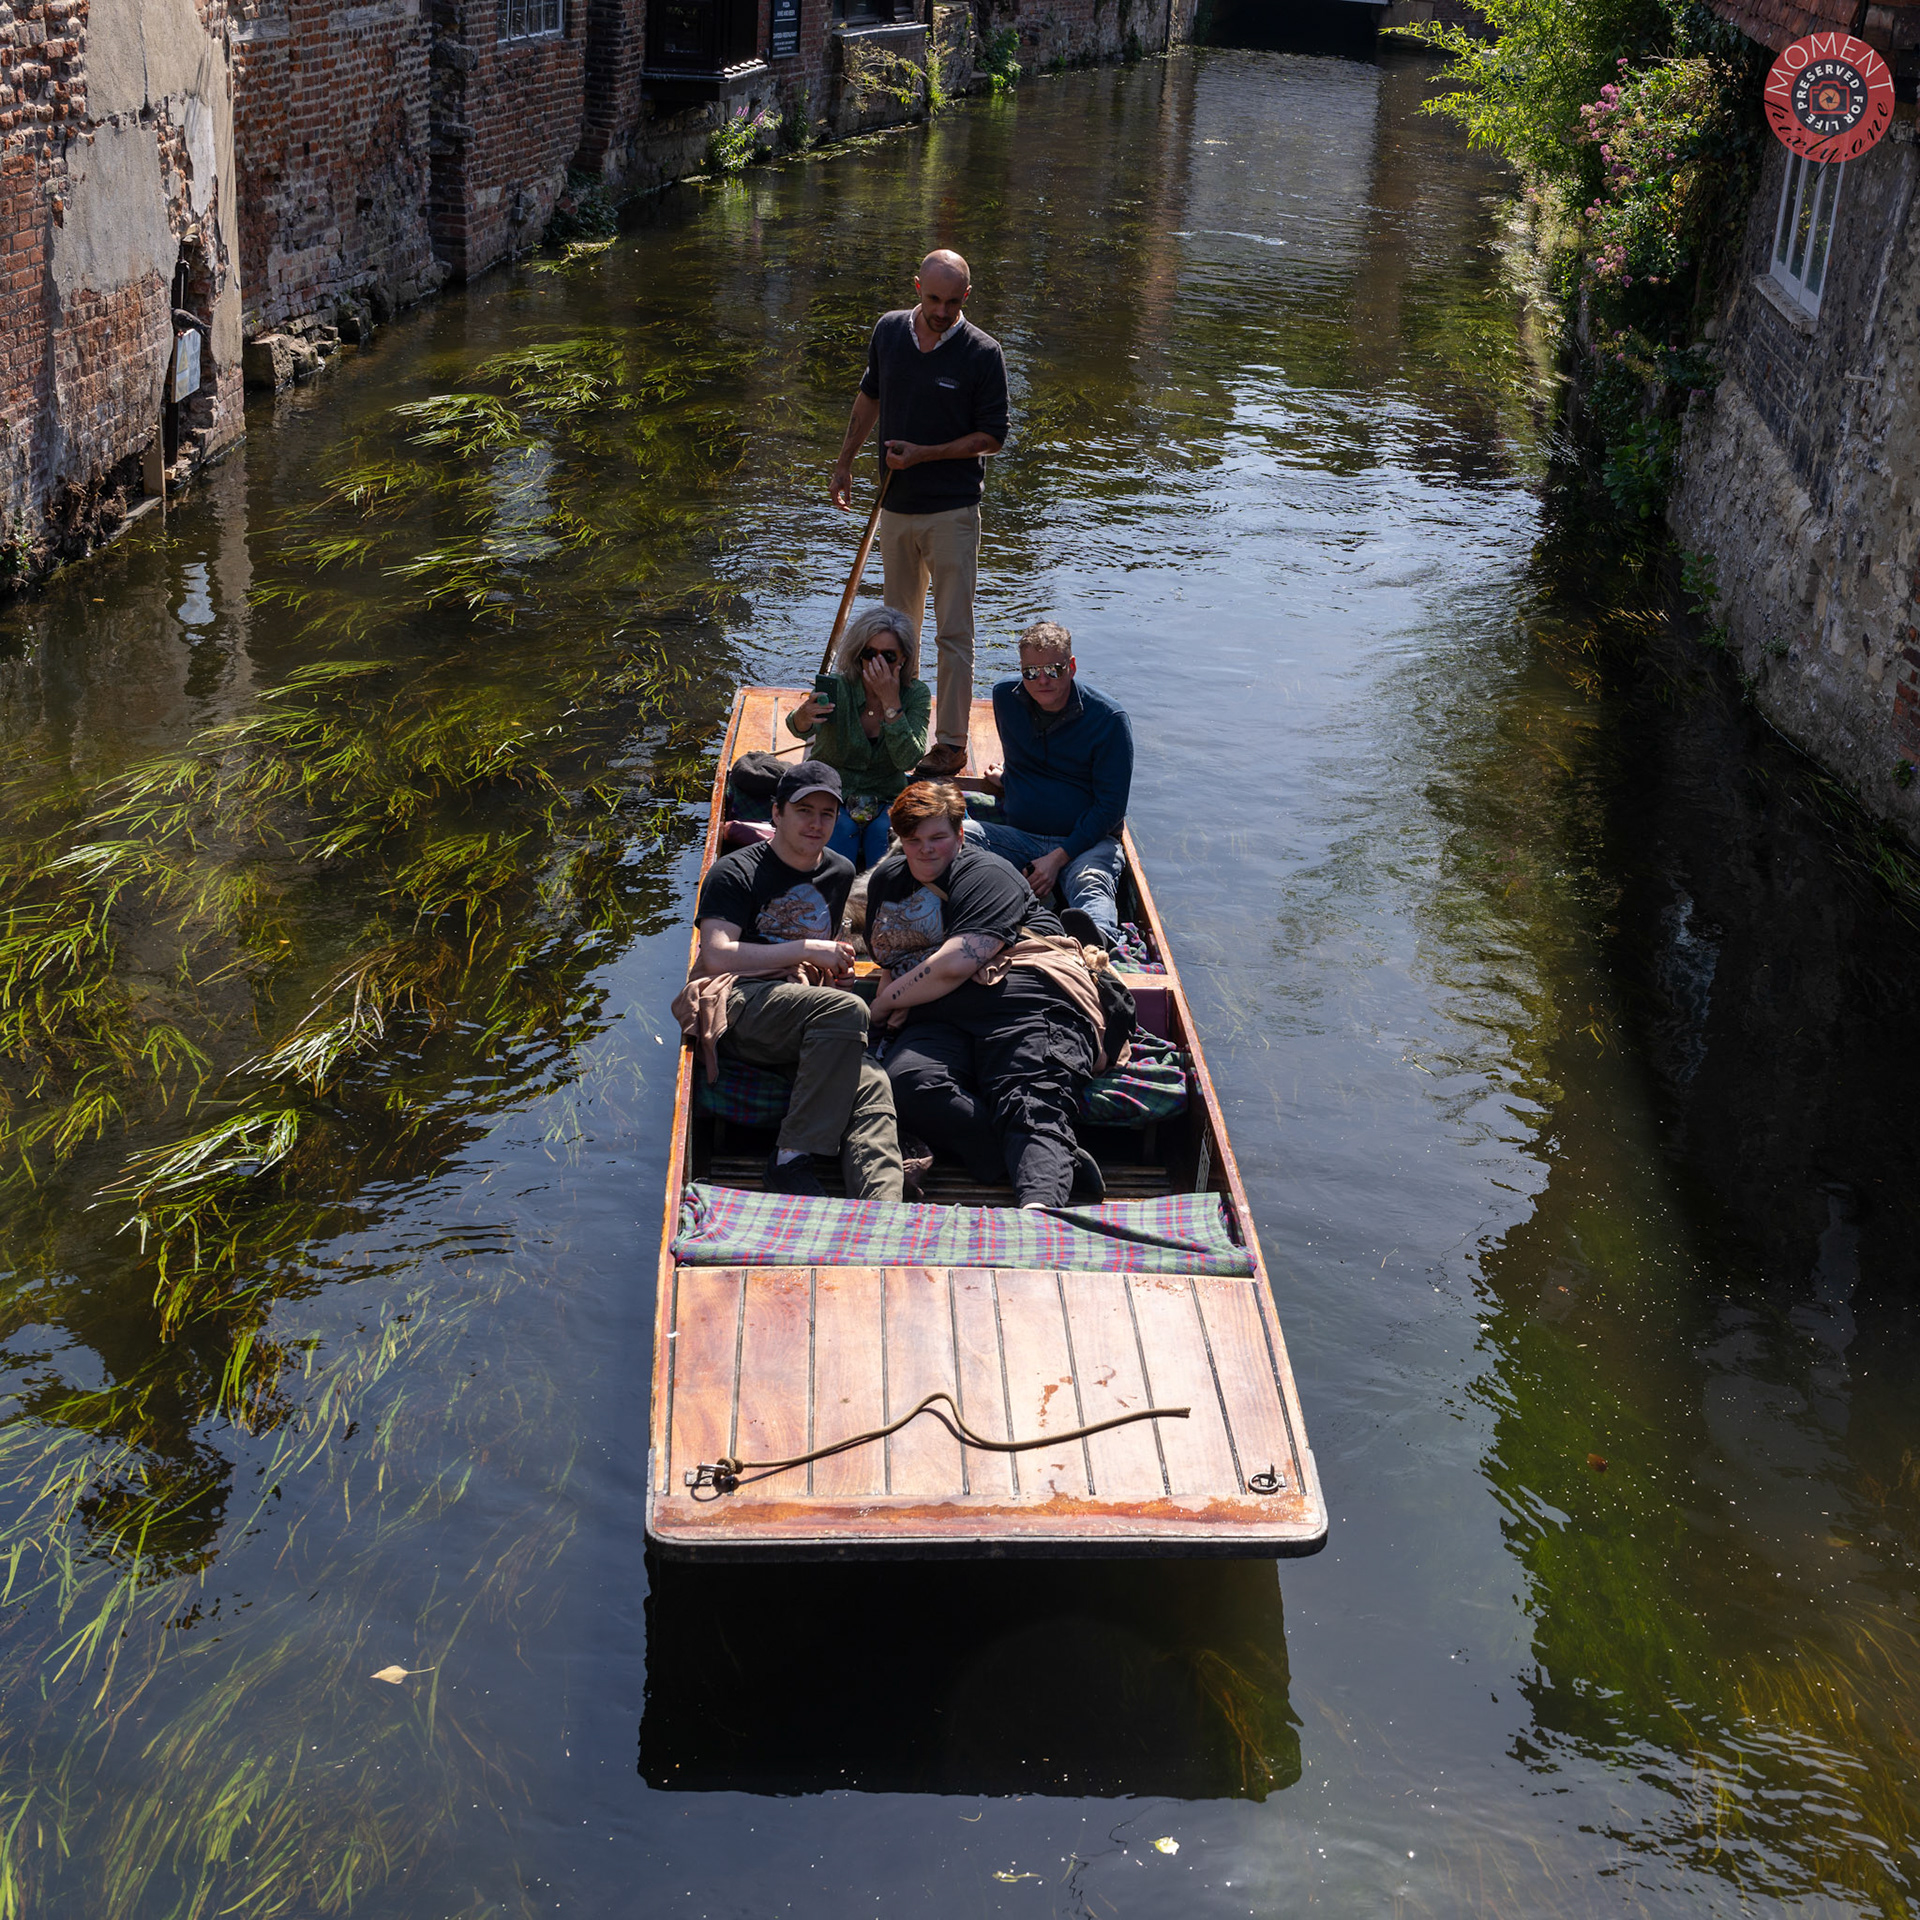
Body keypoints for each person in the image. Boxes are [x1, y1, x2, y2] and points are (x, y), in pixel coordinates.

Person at [867, 781, 1107, 1210]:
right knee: (909, 1084)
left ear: (960, 834)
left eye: (937, 837)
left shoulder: (987, 874)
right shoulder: (888, 880)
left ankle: (1040, 1210)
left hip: (1022, 992)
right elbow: (891, 956)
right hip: (938, 1009)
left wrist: (887, 1003)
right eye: (913, 840)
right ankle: (1042, 1157)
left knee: (1029, 1092)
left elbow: (956, 963)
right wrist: (895, 994)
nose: (925, 850)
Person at [677, 761, 902, 1201]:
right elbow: (717, 955)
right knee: (847, 1011)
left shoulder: (839, 872)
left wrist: (834, 974)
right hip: (734, 999)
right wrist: (805, 950)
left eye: (826, 814)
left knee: (873, 1081)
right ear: (777, 813)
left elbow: (823, 956)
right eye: (804, 811)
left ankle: (886, 1211)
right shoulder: (735, 872)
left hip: (802, 1008)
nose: (816, 824)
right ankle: (790, 1159)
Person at [829, 248, 1009, 782]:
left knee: (953, 631)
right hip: (896, 507)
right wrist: (844, 463)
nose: (942, 311)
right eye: (933, 299)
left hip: (953, 510)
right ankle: (896, 726)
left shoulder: (983, 352)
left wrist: (925, 455)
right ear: (917, 289)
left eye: (953, 302)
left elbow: (992, 438)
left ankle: (950, 743)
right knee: (895, 631)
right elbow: (869, 398)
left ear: (966, 297)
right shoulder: (889, 332)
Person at [971, 619, 1133, 952]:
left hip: (1085, 844)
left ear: (1071, 667)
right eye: (1031, 672)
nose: (1041, 680)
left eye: (1053, 670)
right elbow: (1027, 760)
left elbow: (1111, 808)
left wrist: (1058, 858)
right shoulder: (1005, 697)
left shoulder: (1110, 720)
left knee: (1090, 882)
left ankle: (1096, 944)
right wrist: (1009, 780)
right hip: (1020, 836)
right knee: (959, 836)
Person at [782, 605, 931, 869]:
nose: (877, 663)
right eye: (869, 654)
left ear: (903, 660)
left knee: (884, 838)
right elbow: (797, 727)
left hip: (885, 796)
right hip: (833, 793)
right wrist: (804, 715)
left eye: (888, 656)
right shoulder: (839, 687)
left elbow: (908, 759)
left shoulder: (916, 695)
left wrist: (891, 703)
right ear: (858, 655)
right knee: (839, 830)